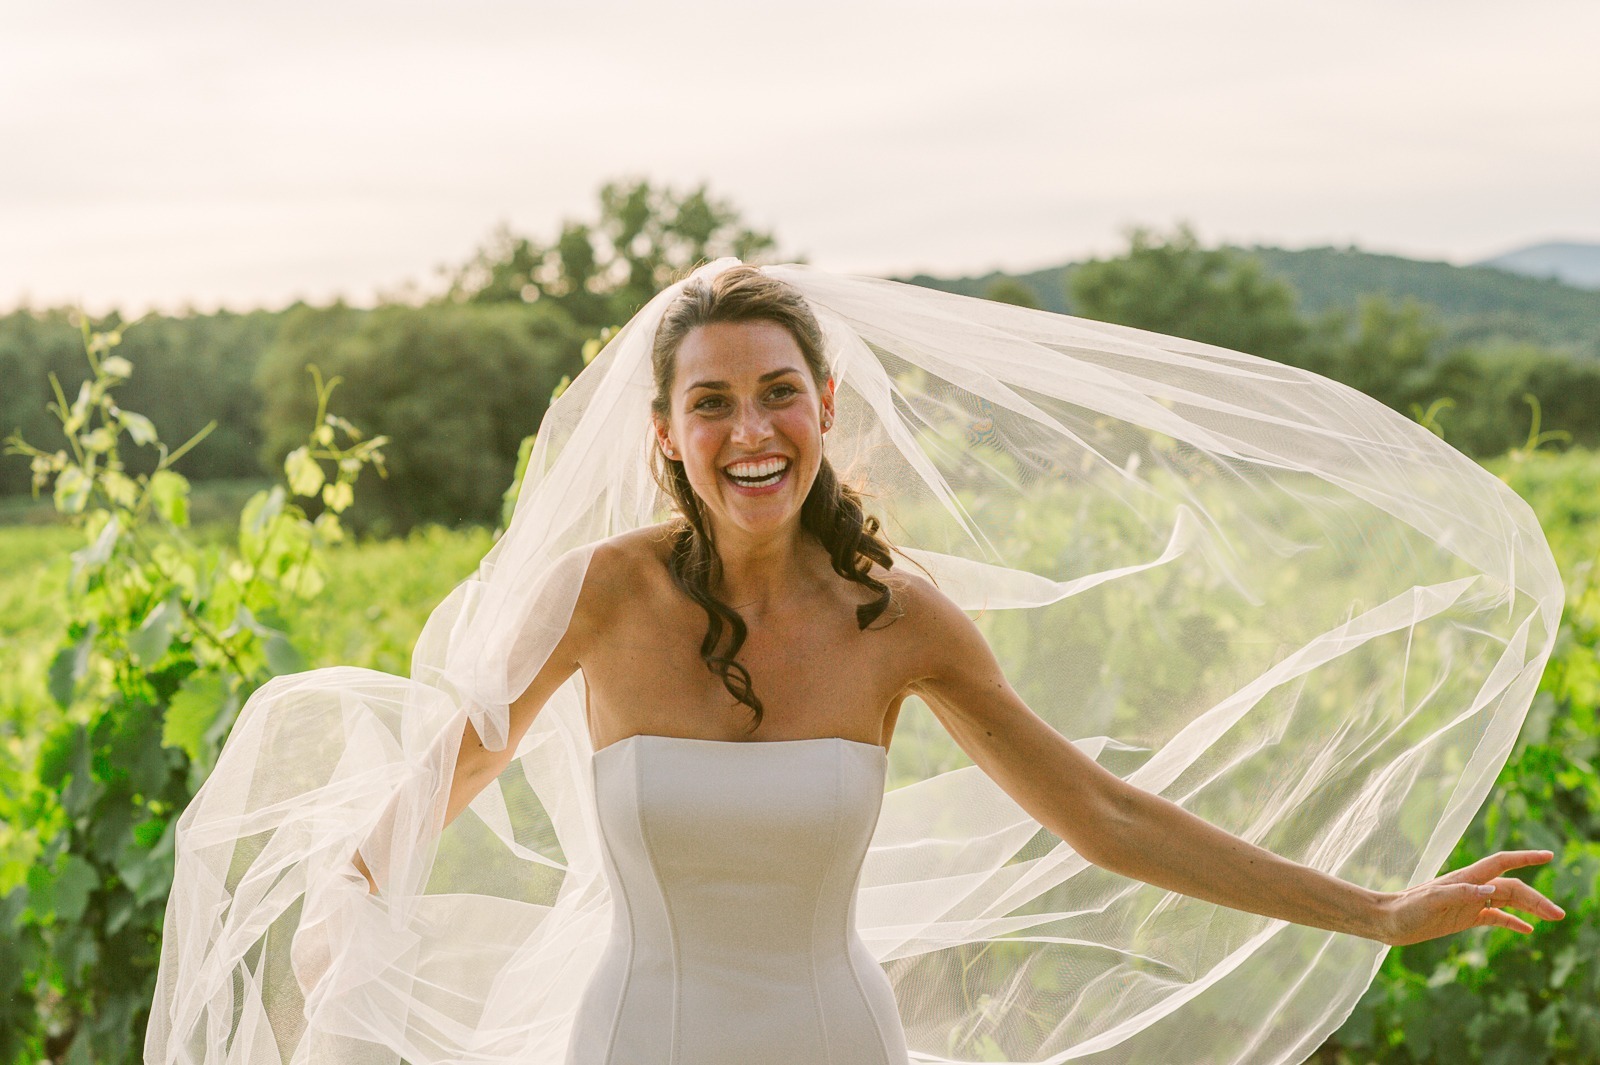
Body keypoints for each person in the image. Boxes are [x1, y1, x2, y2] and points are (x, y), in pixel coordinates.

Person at [148, 260, 1565, 1065]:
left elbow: (1107, 814)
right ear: (665, 434)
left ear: (824, 409)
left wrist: (1376, 910)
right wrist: (347, 898)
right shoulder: (599, 596)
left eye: (778, 393)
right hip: (634, 1039)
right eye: (712, 402)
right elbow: (428, 785)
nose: (749, 429)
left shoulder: (904, 619)